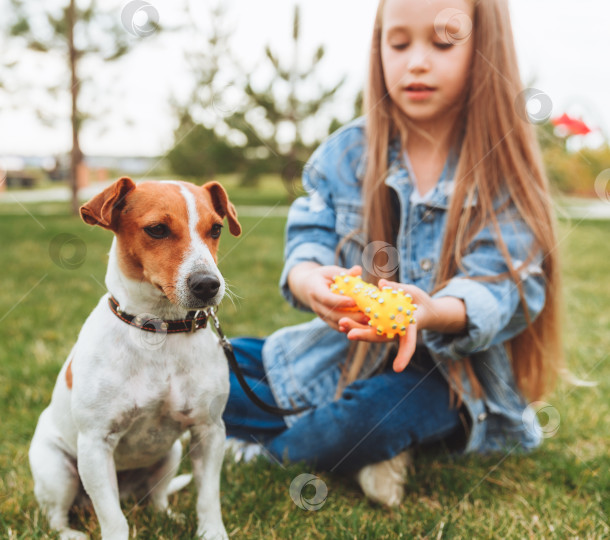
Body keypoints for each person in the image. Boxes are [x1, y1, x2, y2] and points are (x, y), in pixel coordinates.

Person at [222, 0, 562, 507]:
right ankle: (355, 451)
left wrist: (433, 312)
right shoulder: (347, 154)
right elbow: (308, 239)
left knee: (369, 420)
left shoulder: (501, 171)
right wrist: (310, 281)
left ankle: (256, 450)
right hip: (342, 355)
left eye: (443, 42)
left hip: (445, 379)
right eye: (398, 43)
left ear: (485, 49)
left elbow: (505, 287)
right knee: (205, 368)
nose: (416, 61)